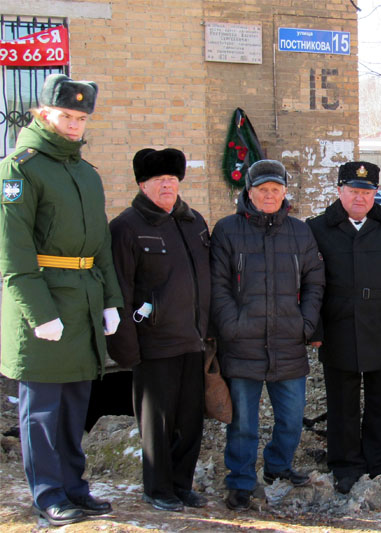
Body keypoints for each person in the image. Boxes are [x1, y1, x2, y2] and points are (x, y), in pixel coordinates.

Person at [0, 74, 123, 526]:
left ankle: (74, 486)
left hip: (84, 304)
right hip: (45, 306)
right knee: (44, 412)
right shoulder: (21, 168)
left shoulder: (84, 172)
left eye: (81, 117)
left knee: (75, 407)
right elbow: (12, 255)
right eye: (66, 116)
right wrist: (39, 313)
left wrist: (111, 300)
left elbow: (101, 246)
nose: (74, 125)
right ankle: (49, 493)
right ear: (43, 114)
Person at [211, 159, 325, 511]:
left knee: (291, 418)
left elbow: (314, 281)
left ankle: (278, 466)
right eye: (263, 190)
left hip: (289, 341)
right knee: (243, 422)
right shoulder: (228, 230)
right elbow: (219, 285)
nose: (270, 195)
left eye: (276, 190)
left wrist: (305, 324)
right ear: (250, 192)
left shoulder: (299, 231)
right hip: (242, 343)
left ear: (285, 193)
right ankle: (241, 481)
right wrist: (232, 325)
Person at [307, 161, 381, 494]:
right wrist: (313, 330)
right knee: (342, 403)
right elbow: (308, 283)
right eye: (354, 191)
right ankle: (345, 465)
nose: (360, 198)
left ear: (376, 194)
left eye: (367, 192)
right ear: (340, 191)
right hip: (338, 325)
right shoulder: (317, 228)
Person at [107, 148, 211, 512]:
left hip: (193, 340)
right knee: (158, 424)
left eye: (172, 179)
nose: (167, 186)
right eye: (158, 181)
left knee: (190, 421)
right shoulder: (126, 227)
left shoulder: (194, 221)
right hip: (153, 344)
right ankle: (157, 487)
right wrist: (126, 348)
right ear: (142, 184)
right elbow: (117, 290)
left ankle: (181, 484)